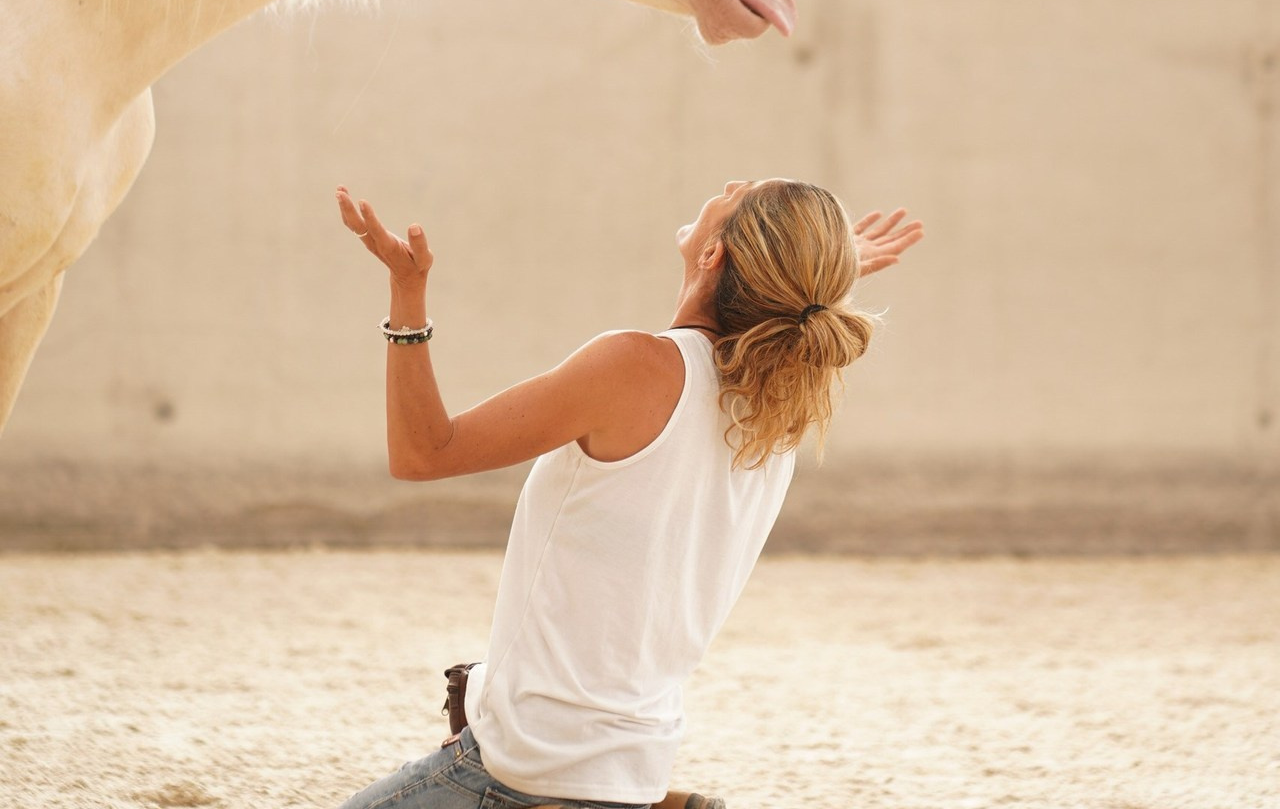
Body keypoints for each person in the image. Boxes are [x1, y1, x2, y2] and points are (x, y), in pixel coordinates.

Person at [334, 179, 923, 809]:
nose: (732, 185)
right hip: (633, 766)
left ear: (713, 254)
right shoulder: (781, 404)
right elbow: (767, 325)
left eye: (742, 193)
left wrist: (407, 289)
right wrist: (816, 270)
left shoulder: (634, 367)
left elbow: (424, 452)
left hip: (523, 775)